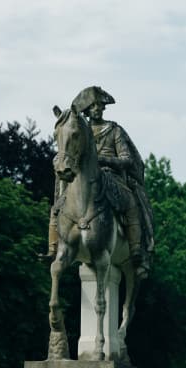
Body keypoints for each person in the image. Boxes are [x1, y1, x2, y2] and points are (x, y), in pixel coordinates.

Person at [47, 86, 155, 278]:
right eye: (93, 105)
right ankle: (53, 247)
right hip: (82, 177)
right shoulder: (78, 129)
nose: (97, 108)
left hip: (110, 175)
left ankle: (137, 249)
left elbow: (126, 159)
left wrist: (103, 160)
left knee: (130, 201)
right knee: (59, 203)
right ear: (87, 109)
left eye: (100, 105)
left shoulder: (114, 130)